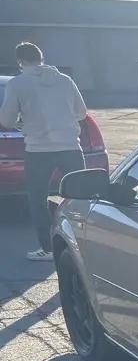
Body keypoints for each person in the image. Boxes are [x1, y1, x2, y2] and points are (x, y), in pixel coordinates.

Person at [0, 42, 87, 262]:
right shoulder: (66, 80)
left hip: (39, 150)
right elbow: (81, 112)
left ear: (20, 61)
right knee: (82, 196)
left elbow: (7, 121)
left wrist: (23, 123)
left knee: (38, 200)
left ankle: (48, 249)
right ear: (42, 58)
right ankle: (87, 245)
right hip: (70, 146)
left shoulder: (17, 84)